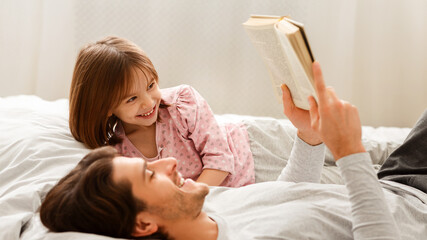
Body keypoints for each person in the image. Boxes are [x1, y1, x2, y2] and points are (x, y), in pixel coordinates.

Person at [40, 62, 427, 239]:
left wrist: (309, 138)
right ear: (143, 225)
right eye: (148, 173)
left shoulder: (211, 206)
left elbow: (289, 197)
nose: (169, 163)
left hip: (394, 184)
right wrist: (349, 153)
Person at [68, 36, 254, 187]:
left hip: (250, 153)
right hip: (221, 194)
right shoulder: (119, 153)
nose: (148, 103)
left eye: (151, 85)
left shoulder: (183, 103)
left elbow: (220, 159)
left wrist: (187, 198)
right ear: (106, 107)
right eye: (131, 99)